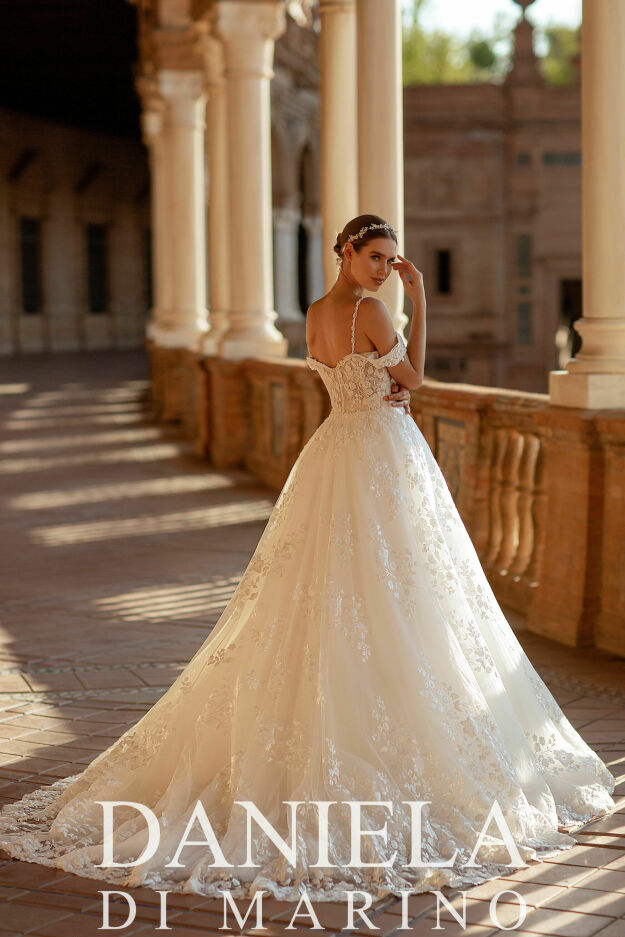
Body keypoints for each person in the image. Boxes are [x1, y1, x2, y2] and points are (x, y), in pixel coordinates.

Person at [0, 214, 615, 905]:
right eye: (375, 256)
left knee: (332, 587)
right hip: (382, 453)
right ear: (347, 252)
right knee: (401, 588)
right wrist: (422, 303)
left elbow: (351, 378)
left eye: (391, 261)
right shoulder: (373, 309)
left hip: (332, 453)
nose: (384, 268)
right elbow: (416, 377)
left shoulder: (316, 313)